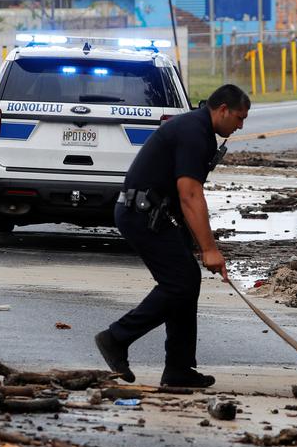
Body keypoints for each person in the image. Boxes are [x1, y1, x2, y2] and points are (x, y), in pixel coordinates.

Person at [95, 84, 250, 388]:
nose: (241, 125)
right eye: (239, 117)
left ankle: (179, 369)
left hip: (155, 213)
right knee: (180, 282)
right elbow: (190, 194)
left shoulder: (200, 130)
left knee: (186, 281)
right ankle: (116, 338)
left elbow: (185, 199)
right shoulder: (194, 132)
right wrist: (210, 249)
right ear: (222, 110)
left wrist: (195, 243)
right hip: (140, 214)